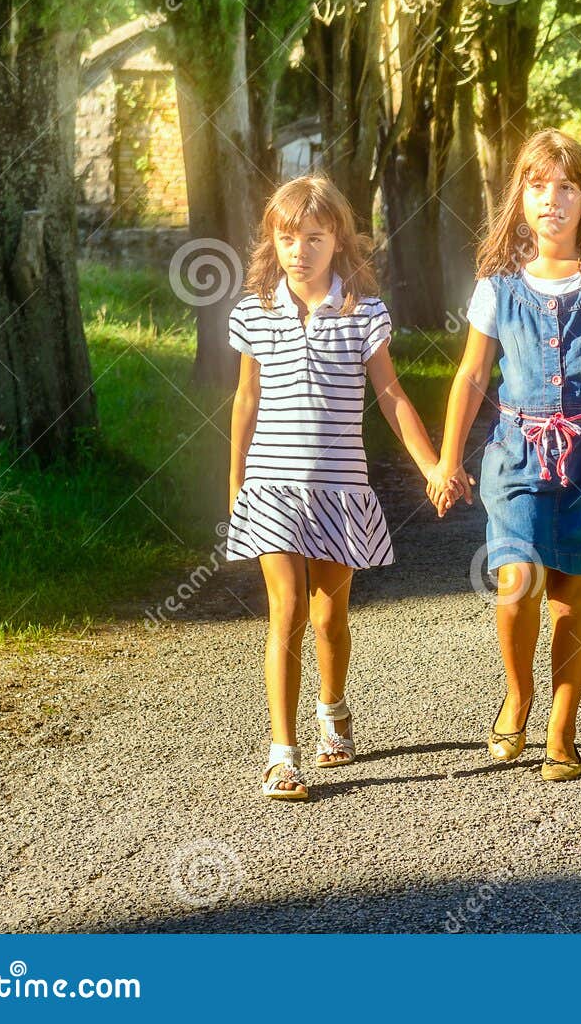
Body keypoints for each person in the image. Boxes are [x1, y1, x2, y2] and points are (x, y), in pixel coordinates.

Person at [430, 129, 581, 782]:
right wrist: (448, 459)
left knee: (569, 598)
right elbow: (473, 378)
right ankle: (518, 692)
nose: (552, 200)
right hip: (516, 457)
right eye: (538, 186)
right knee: (516, 581)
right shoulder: (498, 283)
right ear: (520, 198)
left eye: (566, 187)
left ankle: (562, 729)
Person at [227, 175, 444, 801]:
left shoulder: (363, 313)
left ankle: (334, 708)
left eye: (315, 238)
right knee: (287, 612)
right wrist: (236, 481)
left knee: (329, 617)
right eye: (289, 237)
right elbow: (245, 400)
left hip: (340, 489)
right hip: (271, 488)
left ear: (339, 242)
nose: (301, 250)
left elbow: (393, 396)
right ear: (273, 240)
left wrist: (432, 466)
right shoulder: (254, 311)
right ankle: (282, 753)